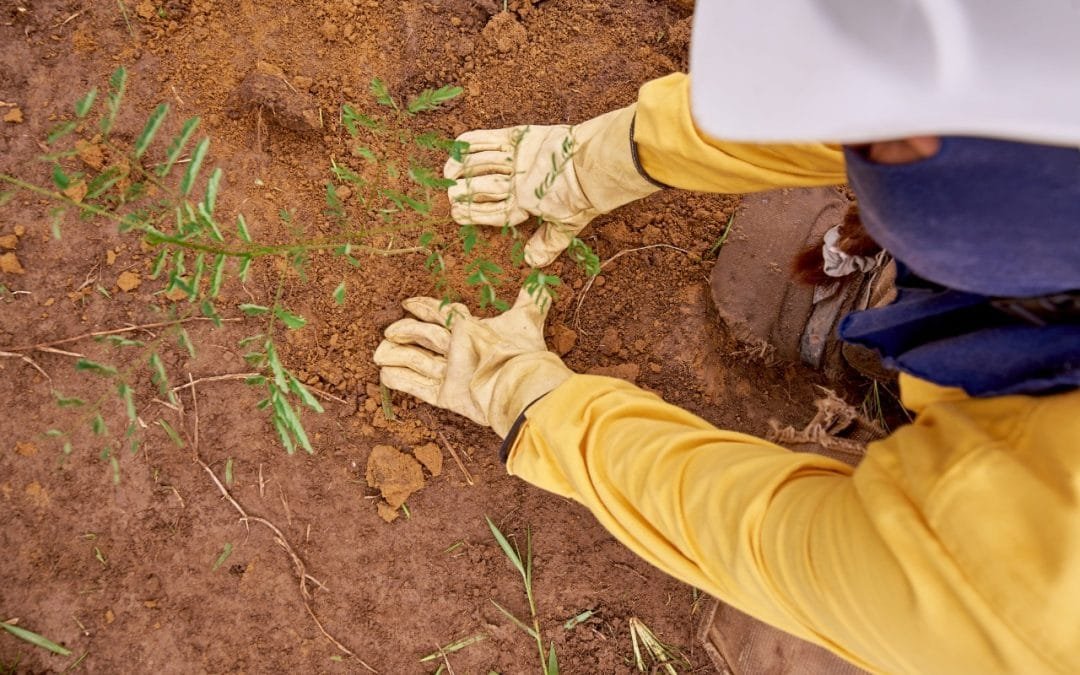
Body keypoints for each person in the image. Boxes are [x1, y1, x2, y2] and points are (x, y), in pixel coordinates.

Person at [374, 2, 1080, 672]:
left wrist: (534, 405)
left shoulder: (1021, 585)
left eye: (882, 137)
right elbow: (861, 88)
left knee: (821, 630)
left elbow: (753, 533)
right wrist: (605, 159)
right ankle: (950, 326)